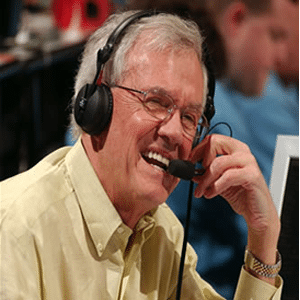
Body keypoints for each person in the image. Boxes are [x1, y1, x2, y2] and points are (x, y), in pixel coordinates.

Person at [1, 10, 283, 299]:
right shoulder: (15, 228)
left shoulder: (162, 233)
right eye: (157, 102)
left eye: (189, 117)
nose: (174, 132)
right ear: (97, 105)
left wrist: (263, 237)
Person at [127, 0, 291, 298]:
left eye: (190, 117)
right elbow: (283, 241)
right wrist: (266, 240)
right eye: (274, 35)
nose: (279, 57)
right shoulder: (223, 121)